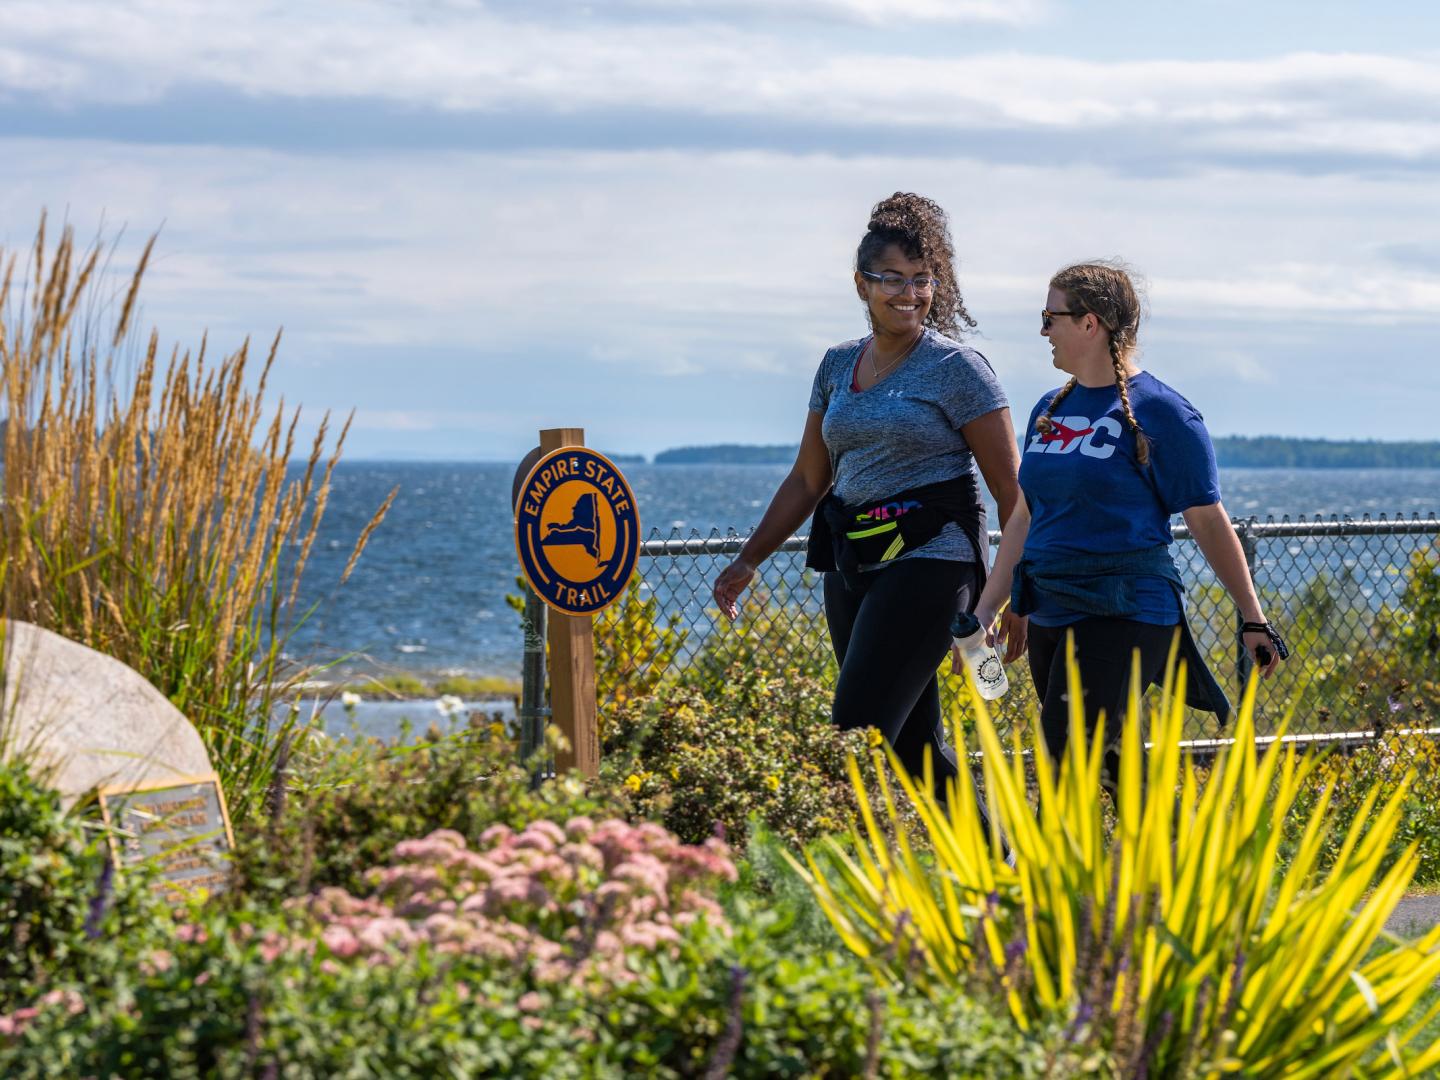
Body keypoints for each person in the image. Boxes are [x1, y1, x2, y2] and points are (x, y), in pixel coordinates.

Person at [712, 192, 1025, 819]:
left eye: (921, 280)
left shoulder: (957, 368)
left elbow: (1014, 495)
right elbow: (808, 478)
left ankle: (825, 877)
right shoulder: (836, 365)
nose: (907, 294)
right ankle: (1003, 874)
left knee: (857, 729)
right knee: (910, 746)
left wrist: (1014, 592)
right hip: (855, 562)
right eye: (891, 280)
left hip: (934, 561)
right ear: (861, 282)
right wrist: (748, 560)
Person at [969, 260, 1287, 798]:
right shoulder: (1051, 408)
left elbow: (1207, 520)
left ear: (1090, 324)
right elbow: (1025, 517)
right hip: (1052, 606)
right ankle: (1177, 871)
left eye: (1051, 317)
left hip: (1126, 607)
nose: (1043, 331)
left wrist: (1253, 619)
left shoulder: (1163, 412)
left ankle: (1042, 880)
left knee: (1063, 757)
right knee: (1112, 765)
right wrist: (986, 609)